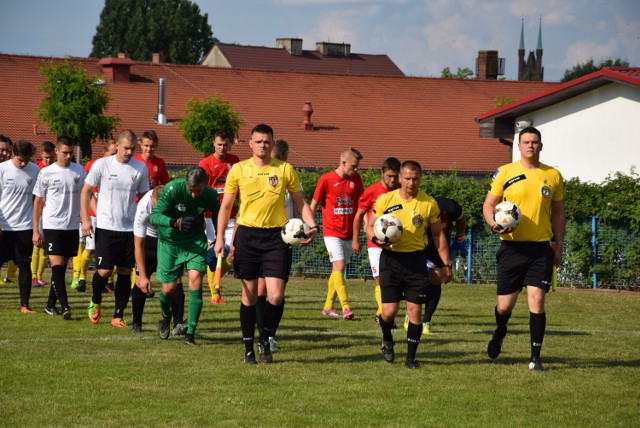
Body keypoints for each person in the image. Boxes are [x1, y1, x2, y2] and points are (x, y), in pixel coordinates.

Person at [215, 123, 318, 364]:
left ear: (272, 144)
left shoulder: (284, 169)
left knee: (275, 295)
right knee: (249, 297)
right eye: (258, 141)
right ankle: (249, 348)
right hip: (248, 236)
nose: (262, 145)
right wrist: (220, 238)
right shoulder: (239, 170)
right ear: (250, 143)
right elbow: (227, 207)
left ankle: (265, 337)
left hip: (276, 238)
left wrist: (312, 226)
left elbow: (300, 202)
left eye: (266, 141)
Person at [482, 126, 565, 372]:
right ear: (518, 146)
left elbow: (559, 214)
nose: (530, 145)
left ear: (541, 145)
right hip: (511, 248)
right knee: (505, 306)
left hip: (540, 248)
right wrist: (493, 222)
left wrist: (558, 246)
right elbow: (489, 205)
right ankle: (500, 328)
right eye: (526, 142)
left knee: (537, 300)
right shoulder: (505, 172)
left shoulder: (553, 175)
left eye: (535, 142)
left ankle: (535, 358)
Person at [366, 160, 452, 369]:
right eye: (407, 178)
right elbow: (369, 226)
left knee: (415, 312)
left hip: (416, 262)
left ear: (420, 178)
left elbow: (438, 235)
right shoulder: (386, 200)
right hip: (391, 260)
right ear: (400, 178)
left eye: (415, 178)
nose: (411, 183)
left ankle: (411, 358)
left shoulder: (428, 203)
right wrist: (376, 239)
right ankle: (387, 338)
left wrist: (446, 264)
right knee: (388, 313)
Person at [80, 130, 149, 328]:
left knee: (126, 271)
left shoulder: (140, 168)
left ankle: (118, 315)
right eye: (126, 148)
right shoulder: (101, 165)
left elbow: (145, 198)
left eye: (132, 149)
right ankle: (95, 299)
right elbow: (85, 191)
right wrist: (86, 219)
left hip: (129, 228)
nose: (129, 152)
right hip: (106, 226)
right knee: (104, 270)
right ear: (117, 145)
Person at [150, 167, 220, 346]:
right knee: (168, 289)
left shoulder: (211, 195)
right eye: (191, 191)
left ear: (205, 185)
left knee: (195, 279)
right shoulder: (173, 189)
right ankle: (165, 316)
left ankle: (190, 333)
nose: (195, 195)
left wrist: (219, 239)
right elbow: (154, 216)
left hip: (195, 240)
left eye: (199, 191)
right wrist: (174, 222)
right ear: (186, 185)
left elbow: (220, 216)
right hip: (170, 242)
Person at [32, 136, 86, 319]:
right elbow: (37, 201)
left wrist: (89, 218)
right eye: (65, 152)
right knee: (56, 266)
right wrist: (35, 229)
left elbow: (87, 196)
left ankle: (49, 305)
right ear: (56, 151)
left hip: (71, 226)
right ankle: (65, 306)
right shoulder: (46, 173)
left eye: (71, 152)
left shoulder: (79, 170)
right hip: (52, 224)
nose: (69, 156)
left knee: (62, 268)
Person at [310, 147, 364, 320]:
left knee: (337, 270)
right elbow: (314, 204)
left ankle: (327, 306)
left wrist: (365, 227)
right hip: (331, 231)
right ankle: (346, 307)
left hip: (348, 232)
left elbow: (362, 206)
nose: (355, 170)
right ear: (343, 163)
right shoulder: (326, 179)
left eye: (357, 167)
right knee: (340, 266)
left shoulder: (356, 179)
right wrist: (310, 227)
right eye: (353, 166)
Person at [255, 139, 297, 353]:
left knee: (276, 292)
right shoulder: (262, 178)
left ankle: (269, 334)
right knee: (261, 291)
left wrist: (300, 231)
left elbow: (298, 209)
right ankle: (264, 333)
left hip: (282, 242)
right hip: (261, 238)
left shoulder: (289, 179)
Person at [403, 196, 467, 334]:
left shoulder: (450, 206)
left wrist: (460, 236)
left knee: (437, 279)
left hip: (439, 246)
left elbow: (461, 217)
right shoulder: (417, 211)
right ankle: (411, 313)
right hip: (418, 246)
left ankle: (426, 320)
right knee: (419, 281)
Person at [130, 185, 187, 335]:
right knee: (140, 281)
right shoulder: (143, 208)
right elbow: (138, 244)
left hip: (168, 240)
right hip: (149, 241)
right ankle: (136, 322)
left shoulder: (177, 202)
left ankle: (178, 323)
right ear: (152, 200)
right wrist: (142, 275)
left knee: (175, 281)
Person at [352, 157, 401, 322]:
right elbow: (359, 216)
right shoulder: (372, 191)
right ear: (382, 173)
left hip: (398, 243)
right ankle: (382, 314)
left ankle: (385, 313)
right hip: (375, 242)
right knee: (379, 278)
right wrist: (355, 239)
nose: (392, 180)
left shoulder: (402, 191)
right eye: (389, 176)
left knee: (395, 279)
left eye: (395, 176)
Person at [198, 131, 240, 305]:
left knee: (233, 253)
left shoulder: (235, 161)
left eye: (225, 145)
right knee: (217, 252)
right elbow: (200, 191)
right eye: (219, 144)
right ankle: (215, 295)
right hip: (212, 216)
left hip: (232, 215)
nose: (222, 148)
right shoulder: (205, 163)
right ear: (213, 144)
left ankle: (211, 275)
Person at [0, 140, 40, 313]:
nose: (23, 164)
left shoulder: (36, 171)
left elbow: (36, 201)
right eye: (20, 160)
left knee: (24, 265)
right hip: (3, 226)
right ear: (12, 154)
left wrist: (37, 228)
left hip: (25, 227)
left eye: (26, 160)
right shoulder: (2, 169)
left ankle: (25, 305)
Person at [72, 139, 117, 291]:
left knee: (112, 251)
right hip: (93, 215)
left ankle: (108, 281)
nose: (114, 156)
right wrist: (83, 214)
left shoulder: (120, 167)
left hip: (111, 217)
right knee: (90, 248)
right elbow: (85, 190)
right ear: (104, 152)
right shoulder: (93, 165)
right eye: (112, 153)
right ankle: (81, 277)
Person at [31, 141, 56, 287]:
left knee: (45, 247)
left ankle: (40, 276)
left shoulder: (56, 168)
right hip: (39, 213)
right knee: (37, 244)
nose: (48, 161)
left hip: (51, 215)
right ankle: (34, 276)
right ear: (41, 155)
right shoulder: (37, 169)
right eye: (46, 158)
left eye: (51, 157)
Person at [0, 135, 19, 284]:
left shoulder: (10, 170)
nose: (5, 154)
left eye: (8, 151)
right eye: (2, 150)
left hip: (8, 224)